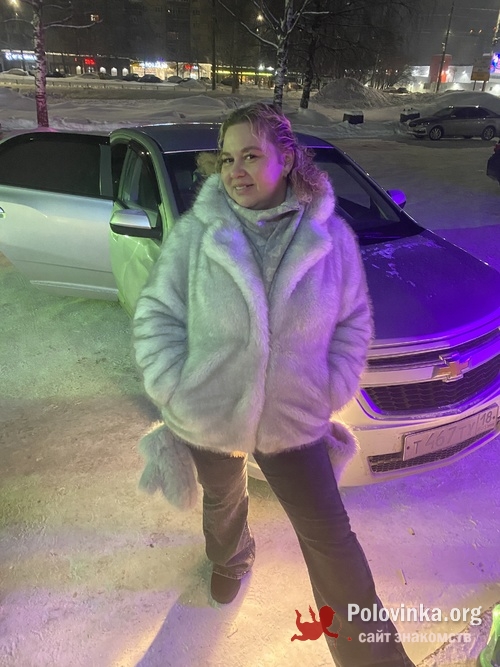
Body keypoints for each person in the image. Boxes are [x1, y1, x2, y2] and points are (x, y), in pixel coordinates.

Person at [133, 102, 415, 667]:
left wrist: (327, 388)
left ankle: (375, 658)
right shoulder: (196, 235)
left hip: (292, 416)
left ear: (286, 159)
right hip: (211, 408)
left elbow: (353, 322)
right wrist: (174, 386)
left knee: (331, 538)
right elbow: (157, 314)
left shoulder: (328, 237)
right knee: (222, 496)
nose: (235, 170)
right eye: (227, 159)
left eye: (250, 155)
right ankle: (230, 556)